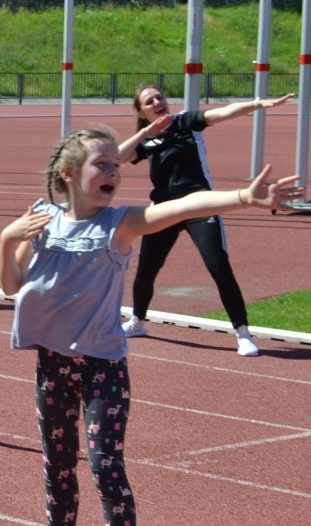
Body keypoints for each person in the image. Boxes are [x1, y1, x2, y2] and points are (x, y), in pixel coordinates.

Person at [0, 126, 301, 526]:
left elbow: (180, 207)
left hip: (101, 369)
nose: (114, 172)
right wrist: (8, 238)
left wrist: (245, 197)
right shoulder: (40, 221)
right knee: (57, 466)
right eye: (103, 165)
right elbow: (11, 286)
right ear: (68, 175)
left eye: (117, 165)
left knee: (105, 469)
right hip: (51, 364)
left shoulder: (120, 224)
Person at [118, 85, 294, 356]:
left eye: (159, 97)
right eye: (148, 101)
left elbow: (224, 113)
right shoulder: (146, 140)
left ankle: (243, 334)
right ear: (142, 111)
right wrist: (143, 133)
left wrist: (258, 103)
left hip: (201, 205)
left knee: (218, 265)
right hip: (164, 210)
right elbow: (115, 158)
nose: (156, 102)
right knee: (146, 270)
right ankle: (138, 322)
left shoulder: (186, 121)